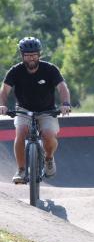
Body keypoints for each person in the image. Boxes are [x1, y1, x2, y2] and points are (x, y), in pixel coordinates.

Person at [0, 36, 71, 183]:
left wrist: (65, 103)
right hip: (24, 110)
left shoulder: (50, 69)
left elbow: (62, 87)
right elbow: (4, 91)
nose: (31, 58)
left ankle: (49, 158)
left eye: (34, 55)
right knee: (20, 134)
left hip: (47, 111)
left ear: (39, 55)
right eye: (27, 55)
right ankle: (21, 170)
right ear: (22, 56)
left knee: (48, 135)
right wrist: (2, 105)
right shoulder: (15, 71)